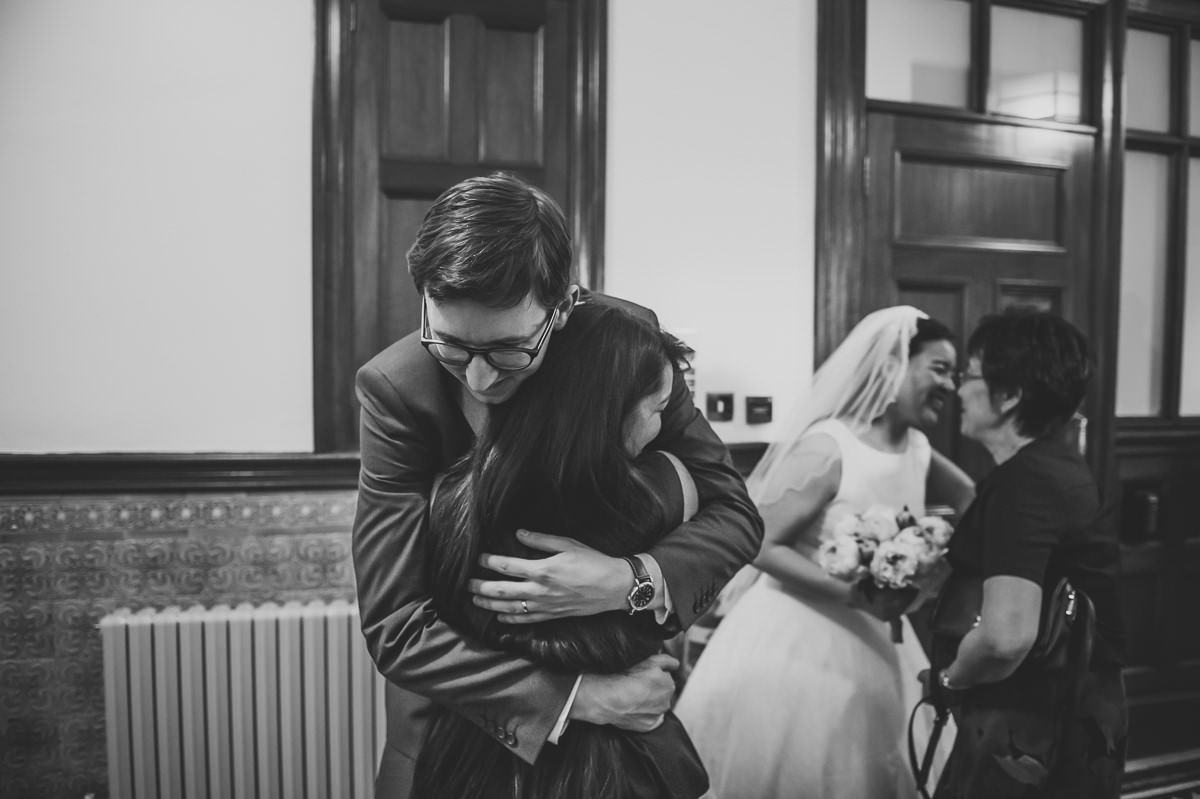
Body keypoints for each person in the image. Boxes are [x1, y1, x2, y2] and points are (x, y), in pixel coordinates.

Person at [351, 171, 763, 797]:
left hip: (618, 749)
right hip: (457, 730)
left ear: (564, 306)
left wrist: (630, 580)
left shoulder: (628, 347)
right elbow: (397, 623)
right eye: (452, 347)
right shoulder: (396, 387)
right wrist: (576, 700)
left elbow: (734, 511)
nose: (481, 380)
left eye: (510, 350)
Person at [675, 305, 975, 799]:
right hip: (795, 634)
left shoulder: (918, 448)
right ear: (891, 365)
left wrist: (933, 568)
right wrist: (853, 593)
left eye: (956, 373)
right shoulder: (829, 447)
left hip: (878, 634)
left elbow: (973, 502)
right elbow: (759, 542)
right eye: (939, 369)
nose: (950, 385)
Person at [413, 303, 709, 798]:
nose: (660, 428)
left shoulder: (449, 498)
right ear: (612, 410)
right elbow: (678, 614)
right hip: (622, 759)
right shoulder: (669, 489)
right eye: (657, 410)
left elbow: (428, 629)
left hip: (482, 752)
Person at [931, 308, 1127, 798]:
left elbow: (1005, 636)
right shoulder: (1056, 466)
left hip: (1031, 719)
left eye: (969, 375)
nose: (959, 389)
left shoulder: (1026, 483)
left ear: (1010, 394)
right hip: (1072, 703)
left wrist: (950, 680)